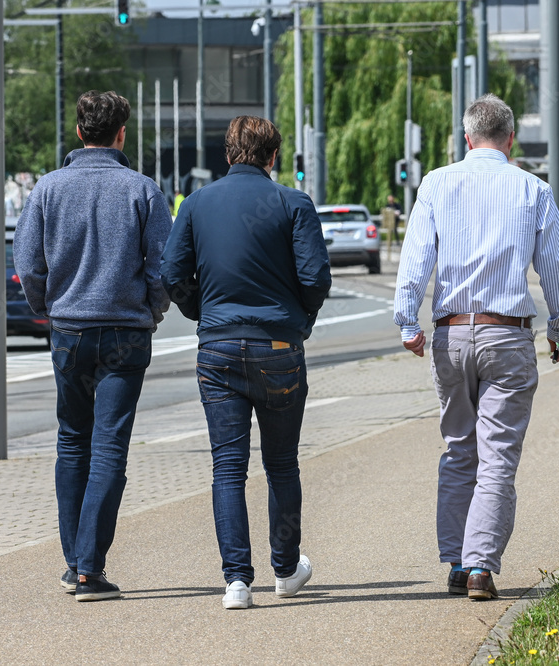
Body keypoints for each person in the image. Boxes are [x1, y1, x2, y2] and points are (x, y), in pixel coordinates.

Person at [393, 94, 559, 601]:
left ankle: (455, 560)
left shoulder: (435, 183)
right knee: (497, 456)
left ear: (467, 138)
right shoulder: (532, 189)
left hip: (451, 335)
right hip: (507, 334)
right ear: (510, 140)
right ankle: (479, 568)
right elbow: (558, 265)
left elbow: (415, 259)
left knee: (458, 448)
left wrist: (407, 322)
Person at [161, 115, 332, 610]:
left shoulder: (195, 204)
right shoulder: (294, 204)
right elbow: (316, 278)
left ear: (228, 153)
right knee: (281, 464)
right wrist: (298, 320)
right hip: (279, 347)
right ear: (273, 156)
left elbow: (172, 274)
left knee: (227, 468)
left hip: (217, 348)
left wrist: (203, 312)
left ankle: (237, 582)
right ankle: (285, 569)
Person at [13, 90, 172, 602]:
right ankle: (89, 569)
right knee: (109, 447)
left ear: (80, 131)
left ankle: (73, 564)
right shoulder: (143, 190)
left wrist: (48, 307)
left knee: (71, 441)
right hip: (126, 335)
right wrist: (149, 310)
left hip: (69, 334)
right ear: (121, 134)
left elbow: (27, 265)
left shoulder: (48, 189)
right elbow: (162, 268)